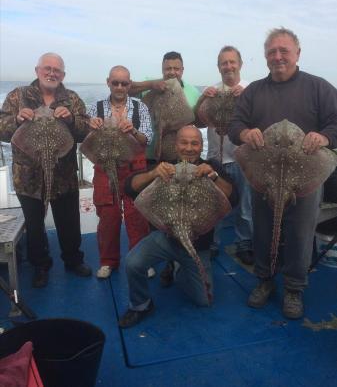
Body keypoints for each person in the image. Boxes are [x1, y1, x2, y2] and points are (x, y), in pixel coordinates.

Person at [228, 28, 337, 319]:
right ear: (265, 57)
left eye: (284, 51)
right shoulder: (254, 92)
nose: (278, 57)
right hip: (263, 176)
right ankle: (264, 279)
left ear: (297, 53)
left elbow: (335, 122)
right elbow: (234, 125)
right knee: (262, 229)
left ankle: (294, 288)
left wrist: (325, 137)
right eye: (272, 52)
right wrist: (244, 132)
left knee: (301, 234)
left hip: (306, 177)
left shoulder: (319, 88)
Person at [118, 125, 237, 328]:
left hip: (197, 243)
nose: (189, 148)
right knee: (132, 263)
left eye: (194, 143)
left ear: (201, 147)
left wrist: (214, 177)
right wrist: (153, 174)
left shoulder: (211, 167)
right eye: (184, 142)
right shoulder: (164, 167)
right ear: (176, 145)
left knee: (203, 301)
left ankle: (177, 268)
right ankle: (141, 305)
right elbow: (129, 187)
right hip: (165, 236)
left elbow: (234, 197)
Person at [0, 53, 92, 288]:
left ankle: (73, 260)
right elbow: (2, 131)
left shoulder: (71, 99)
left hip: (64, 175)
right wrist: (17, 120)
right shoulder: (17, 96)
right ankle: (40, 265)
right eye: (47, 68)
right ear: (37, 70)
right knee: (34, 225)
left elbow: (85, 132)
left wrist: (71, 119)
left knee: (69, 222)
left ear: (63, 75)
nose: (52, 73)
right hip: (28, 177)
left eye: (57, 70)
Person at [87, 66, 153, 279]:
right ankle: (108, 261)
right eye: (115, 82)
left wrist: (132, 130)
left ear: (129, 85)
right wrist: (91, 126)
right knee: (108, 217)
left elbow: (147, 139)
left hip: (134, 170)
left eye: (124, 83)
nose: (119, 87)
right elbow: (87, 142)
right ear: (108, 82)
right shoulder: (95, 108)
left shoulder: (139, 107)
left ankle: (141, 260)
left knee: (138, 216)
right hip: (106, 170)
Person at [195, 46, 254, 265]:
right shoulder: (213, 91)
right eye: (223, 63)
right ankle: (212, 243)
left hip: (243, 159)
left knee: (246, 206)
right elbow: (199, 121)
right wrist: (202, 99)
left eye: (232, 62)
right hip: (215, 158)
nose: (228, 66)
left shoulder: (252, 89)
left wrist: (246, 97)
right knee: (213, 204)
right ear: (218, 67)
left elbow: (261, 119)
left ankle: (244, 244)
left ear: (240, 64)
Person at [129, 51, 200, 161]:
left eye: (176, 69)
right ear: (162, 69)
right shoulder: (151, 84)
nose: (172, 72)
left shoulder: (193, 92)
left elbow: (200, 122)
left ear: (182, 70)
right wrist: (151, 85)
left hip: (178, 156)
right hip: (149, 154)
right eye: (168, 69)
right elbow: (126, 89)